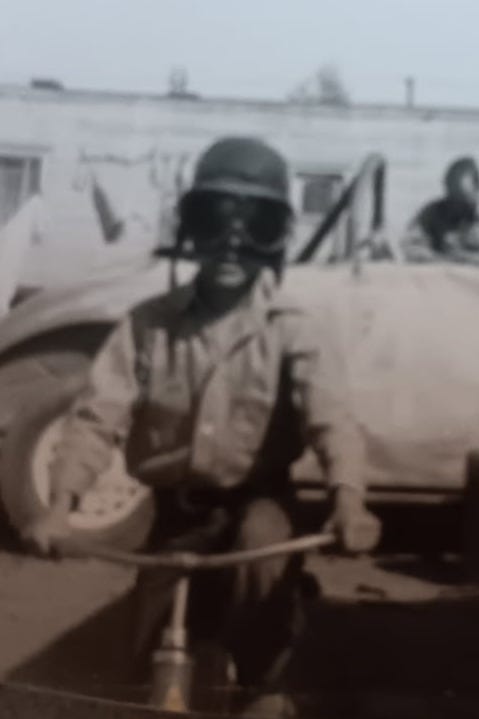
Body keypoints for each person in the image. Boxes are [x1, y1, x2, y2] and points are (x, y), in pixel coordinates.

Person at [20, 136, 381, 718]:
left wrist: (349, 501)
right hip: (177, 517)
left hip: (260, 506)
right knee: (139, 669)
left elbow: (332, 419)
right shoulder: (147, 326)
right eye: (214, 223)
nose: (231, 246)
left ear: (276, 239)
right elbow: (96, 418)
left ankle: (266, 682)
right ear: (190, 232)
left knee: (263, 554)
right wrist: (60, 504)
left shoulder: (295, 329)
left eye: (255, 225)